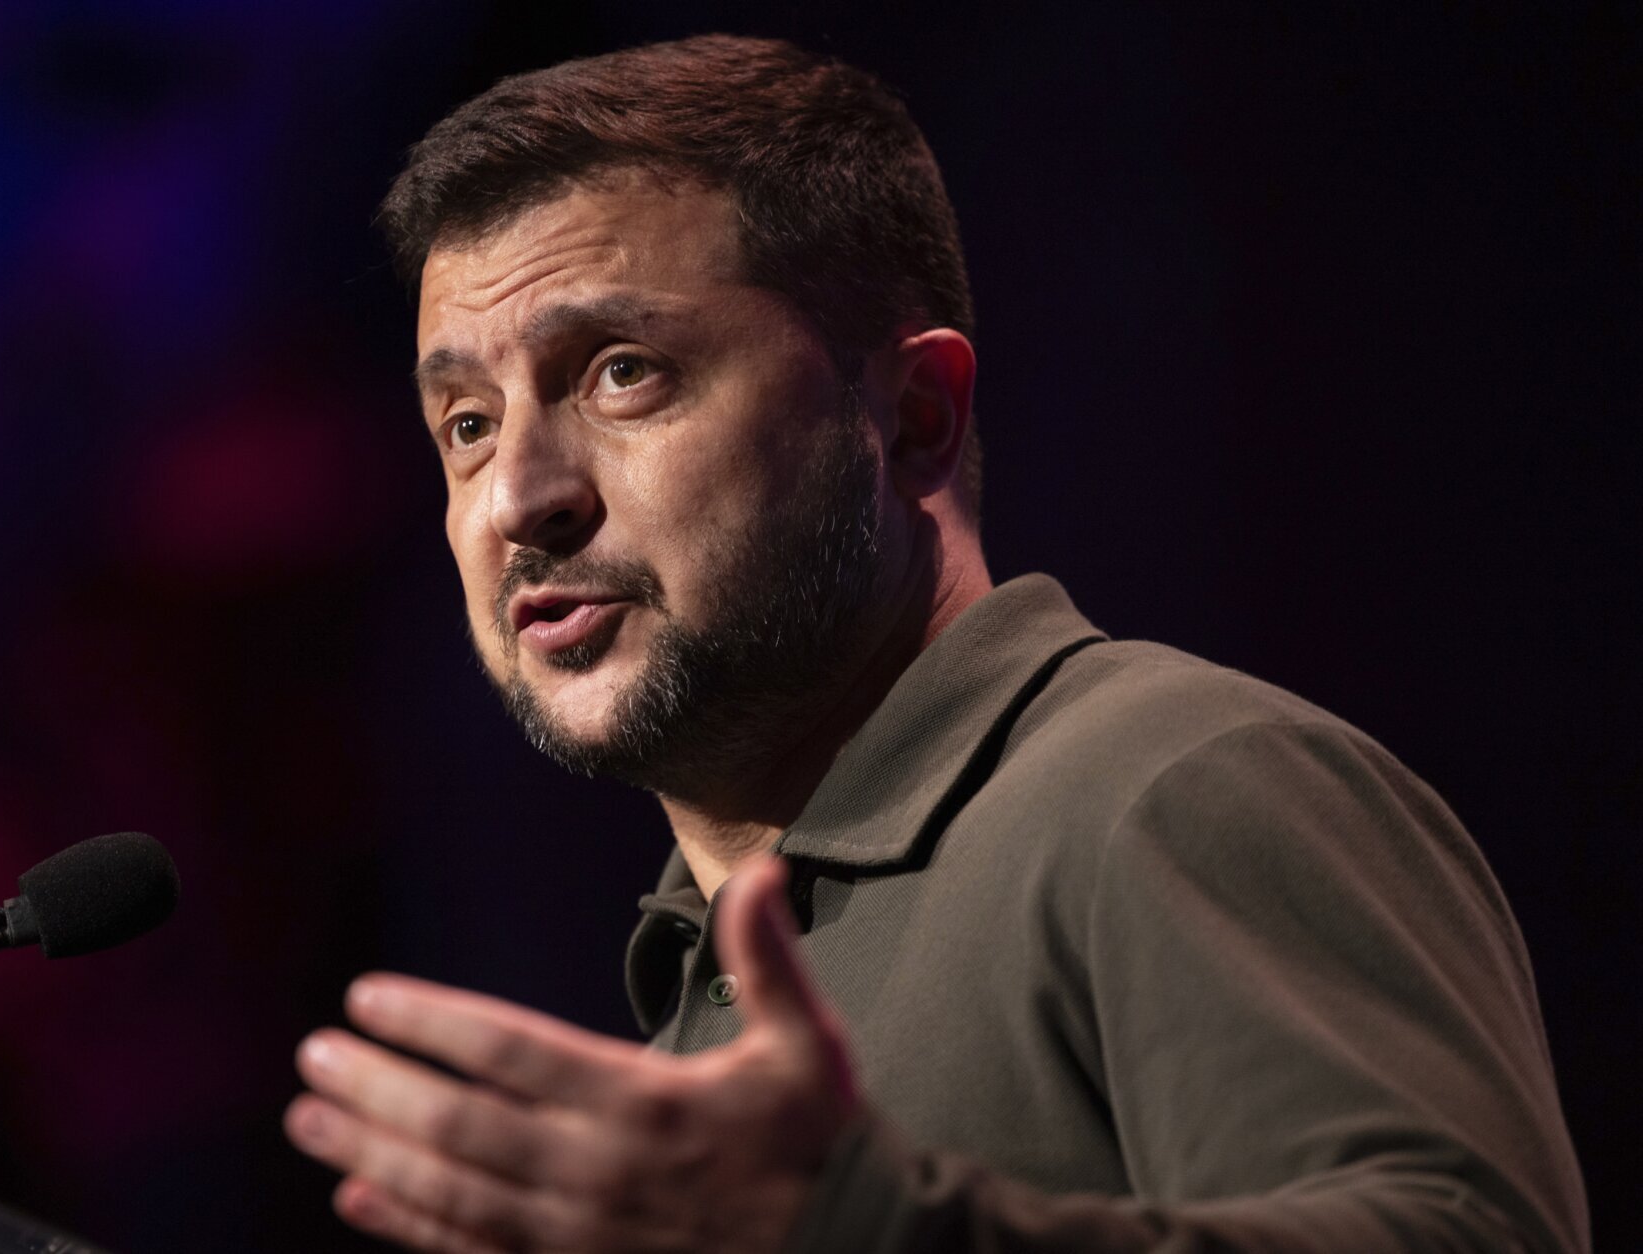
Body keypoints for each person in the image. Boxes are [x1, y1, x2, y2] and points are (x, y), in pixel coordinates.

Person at [284, 34, 1589, 1253]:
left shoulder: (1173, 782)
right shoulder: (697, 998)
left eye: (623, 370)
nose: (519, 497)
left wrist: (854, 1220)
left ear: (912, 416)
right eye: (466, 424)